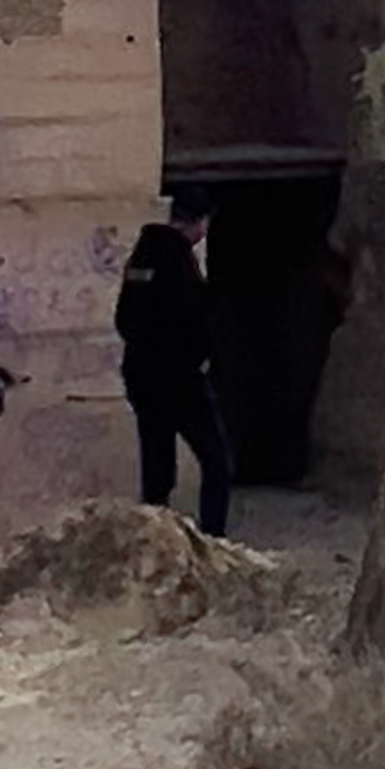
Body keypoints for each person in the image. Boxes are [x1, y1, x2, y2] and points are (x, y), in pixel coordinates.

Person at [112, 206, 234, 537]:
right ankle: (213, 540)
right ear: (199, 222)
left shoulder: (142, 258)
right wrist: (198, 360)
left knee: (156, 464)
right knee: (217, 462)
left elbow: (124, 319)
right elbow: (196, 320)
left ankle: (153, 538)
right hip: (179, 380)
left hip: (142, 376)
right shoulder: (178, 261)